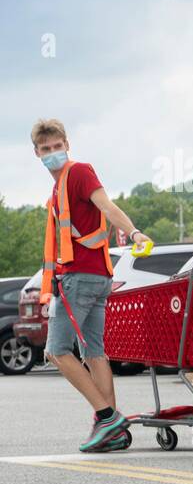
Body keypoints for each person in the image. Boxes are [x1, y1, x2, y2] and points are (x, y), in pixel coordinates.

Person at [32, 118, 150, 452]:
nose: (53, 153)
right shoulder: (57, 189)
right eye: (46, 149)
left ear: (67, 144)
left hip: (80, 279)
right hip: (97, 277)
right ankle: (109, 427)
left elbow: (107, 205)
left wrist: (136, 231)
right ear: (36, 153)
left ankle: (107, 416)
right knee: (94, 352)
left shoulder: (80, 172)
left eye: (57, 146)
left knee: (55, 351)